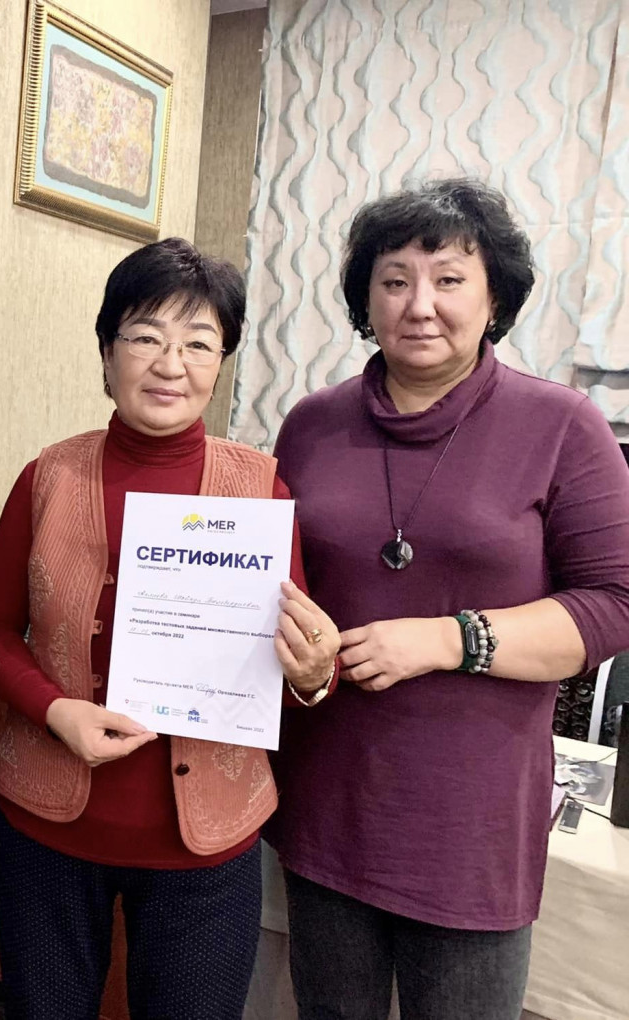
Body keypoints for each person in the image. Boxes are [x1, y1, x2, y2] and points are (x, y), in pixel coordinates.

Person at [270, 178, 629, 1020]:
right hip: (328, 801)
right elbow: (279, 588)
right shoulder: (312, 425)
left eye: (450, 279)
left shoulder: (562, 426)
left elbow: (614, 601)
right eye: (395, 280)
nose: (420, 305)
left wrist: (447, 639)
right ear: (366, 299)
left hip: (472, 827)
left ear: (494, 296)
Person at [0, 237, 338, 1020]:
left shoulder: (261, 490)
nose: (171, 364)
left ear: (221, 362)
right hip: (45, 831)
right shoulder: (49, 475)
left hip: (206, 846)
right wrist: (55, 710)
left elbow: (294, 667)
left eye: (199, 343)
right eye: (145, 336)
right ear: (107, 353)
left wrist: (313, 675)